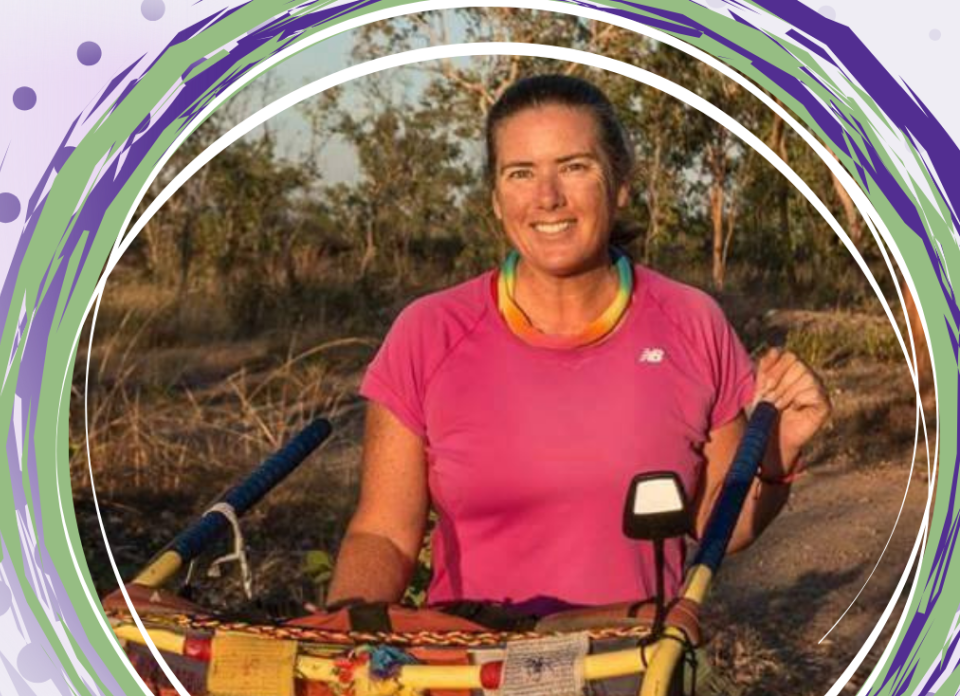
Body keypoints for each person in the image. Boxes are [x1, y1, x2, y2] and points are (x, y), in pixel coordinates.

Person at [327, 73, 831, 616]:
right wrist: (334, 650)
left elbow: (718, 525)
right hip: (467, 682)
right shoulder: (428, 334)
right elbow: (383, 534)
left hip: (635, 679)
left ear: (619, 186)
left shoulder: (691, 323)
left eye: (574, 167)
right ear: (496, 198)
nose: (547, 198)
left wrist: (775, 458)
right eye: (521, 173)